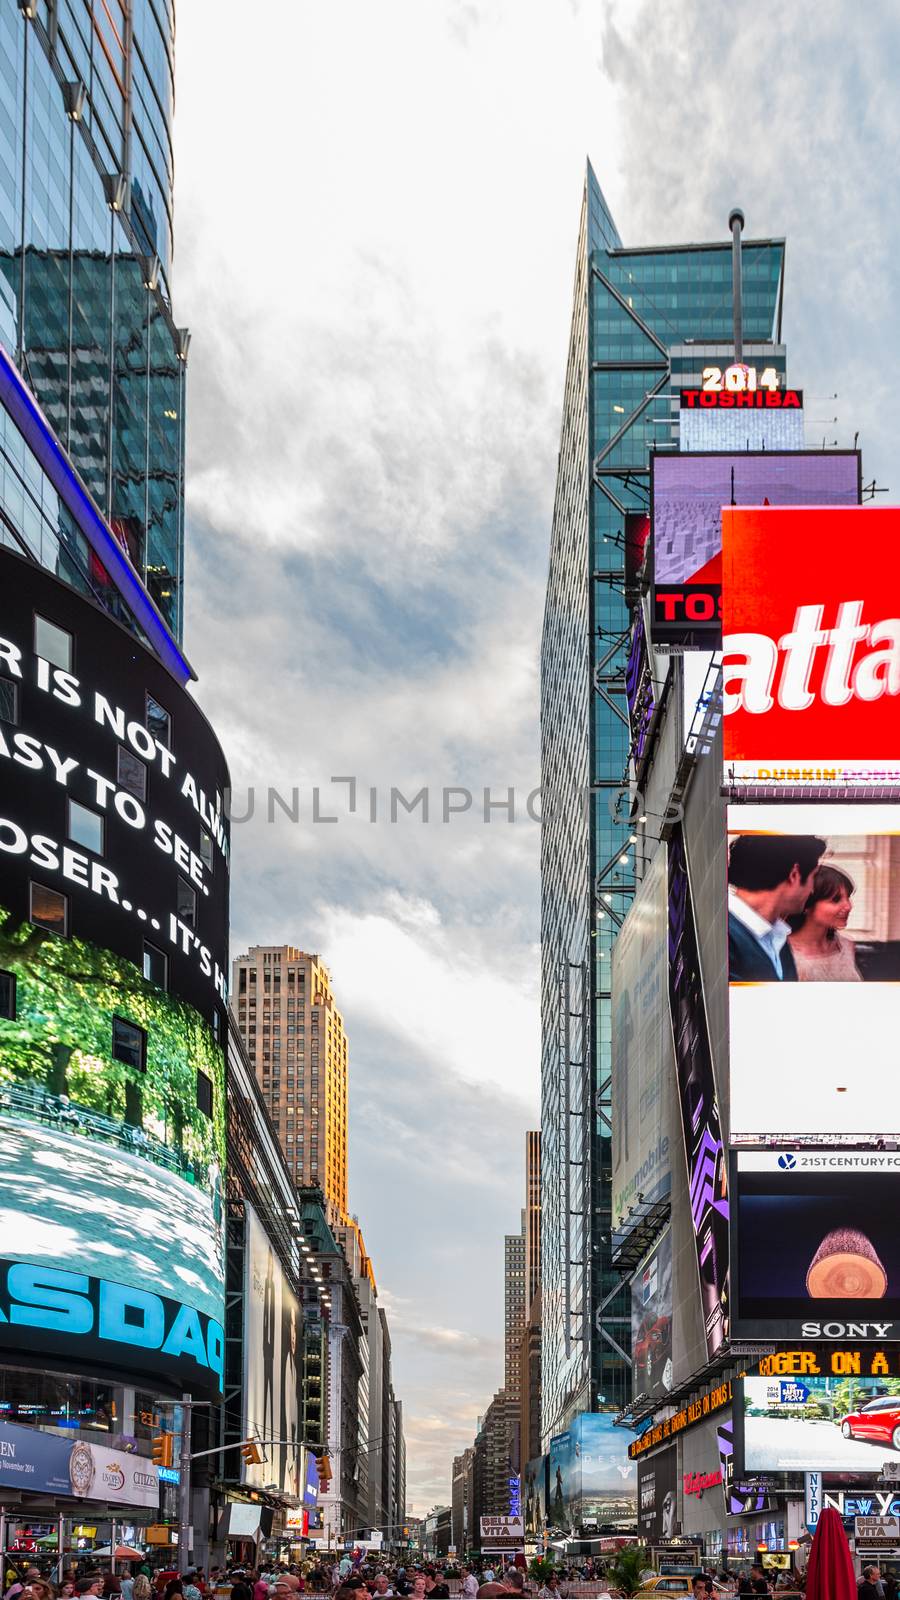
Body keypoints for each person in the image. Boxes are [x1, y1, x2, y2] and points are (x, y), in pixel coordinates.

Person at [728, 833, 825, 981]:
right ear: (795, 874)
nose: (812, 890)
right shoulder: (724, 936)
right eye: (813, 876)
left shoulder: (776, 935)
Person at [788, 864, 863, 981]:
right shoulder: (784, 955)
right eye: (836, 899)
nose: (848, 906)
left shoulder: (846, 946)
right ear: (806, 904)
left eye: (847, 897)